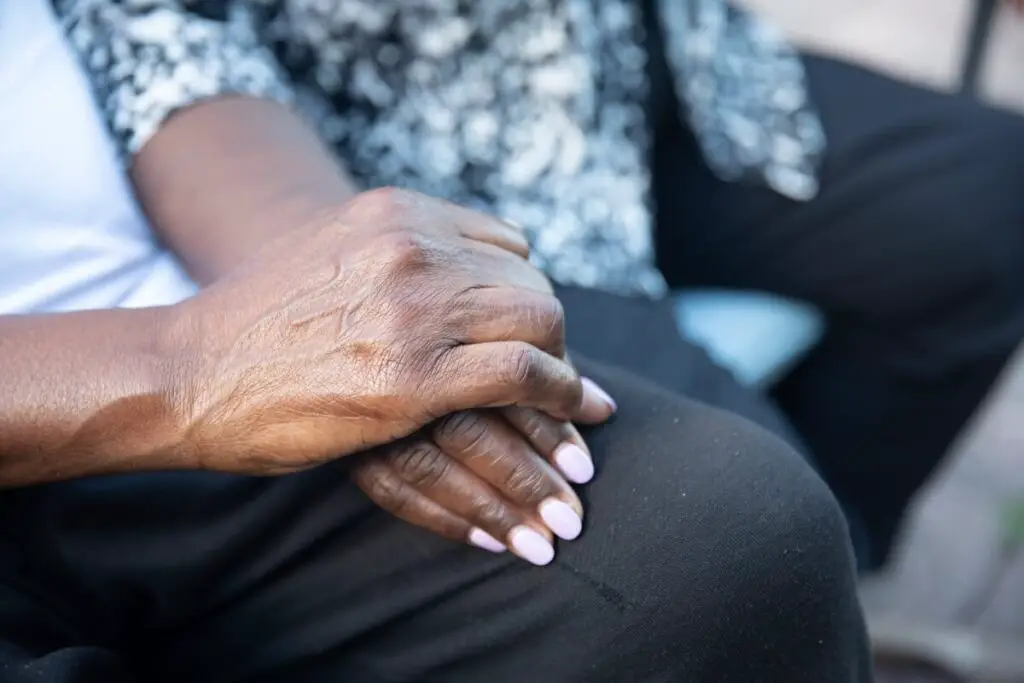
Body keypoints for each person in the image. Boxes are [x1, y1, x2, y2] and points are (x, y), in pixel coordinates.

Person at [0, 0, 869, 681]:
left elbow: (146, 38)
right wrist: (187, 365)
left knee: (729, 533)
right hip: (71, 398)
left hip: (197, 302)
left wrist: (337, 299)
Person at [53, 0, 1024, 569]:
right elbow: (151, 36)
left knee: (985, 194)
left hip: (620, 64)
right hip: (375, 156)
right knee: (733, 498)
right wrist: (336, 288)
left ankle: (835, 582)